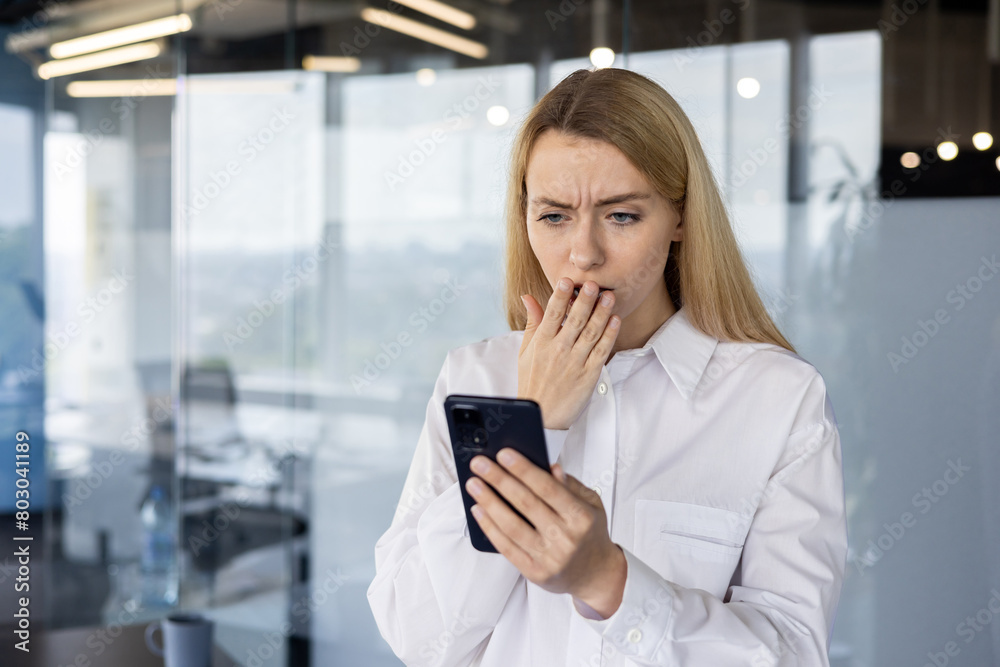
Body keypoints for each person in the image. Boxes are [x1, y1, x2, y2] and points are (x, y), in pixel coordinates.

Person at [367, 67, 847, 667]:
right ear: (525, 220)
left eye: (621, 216)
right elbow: (420, 639)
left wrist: (609, 582)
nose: (584, 254)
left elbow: (794, 654)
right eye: (554, 216)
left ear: (680, 218)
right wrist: (529, 422)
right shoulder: (474, 379)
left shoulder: (777, 399)